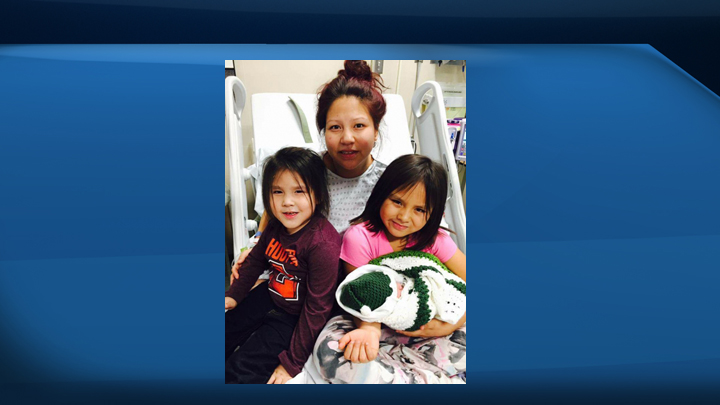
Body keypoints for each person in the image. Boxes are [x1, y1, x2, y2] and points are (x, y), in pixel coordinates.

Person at [229, 60, 389, 285]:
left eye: (359, 126)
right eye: (335, 127)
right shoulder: (307, 170)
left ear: (376, 130)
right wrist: (255, 245)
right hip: (294, 276)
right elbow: (273, 211)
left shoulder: (389, 182)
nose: (347, 138)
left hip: (358, 283)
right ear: (324, 132)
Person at [313, 154, 467, 384]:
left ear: (434, 213)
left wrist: (448, 325)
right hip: (369, 319)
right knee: (330, 351)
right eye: (397, 202)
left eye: (419, 210)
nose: (404, 216)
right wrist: (369, 332)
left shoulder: (436, 240)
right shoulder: (360, 237)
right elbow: (360, 295)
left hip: (429, 323)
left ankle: (416, 375)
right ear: (381, 195)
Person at [225, 147, 341, 384]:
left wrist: (292, 363)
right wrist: (234, 295)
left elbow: (317, 308)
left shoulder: (322, 244)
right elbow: (256, 260)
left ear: (318, 194)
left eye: (299, 191)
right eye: (277, 191)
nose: (287, 202)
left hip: (295, 317)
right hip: (268, 295)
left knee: (241, 368)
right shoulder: (275, 227)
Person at [336, 251, 466, 332]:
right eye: (395, 291)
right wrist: (370, 330)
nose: (400, 286)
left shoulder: (439, 242)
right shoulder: (359, 240)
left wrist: (447, 328)